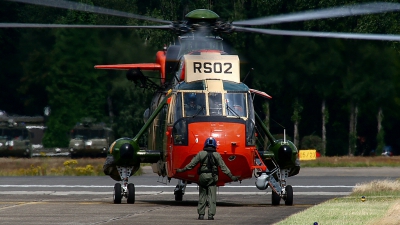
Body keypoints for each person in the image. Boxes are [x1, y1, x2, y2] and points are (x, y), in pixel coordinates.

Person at [176, 137, 239, 220]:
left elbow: (191, 165)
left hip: (202, 177)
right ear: (215, 145)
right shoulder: (217, 155)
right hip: (212, 178)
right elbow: (224, 168)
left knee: (202, 196)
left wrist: (181, 170)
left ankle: (201, 214)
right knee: (212, 197)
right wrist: (232, 177)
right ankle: (211, 215)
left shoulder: (201, 154)